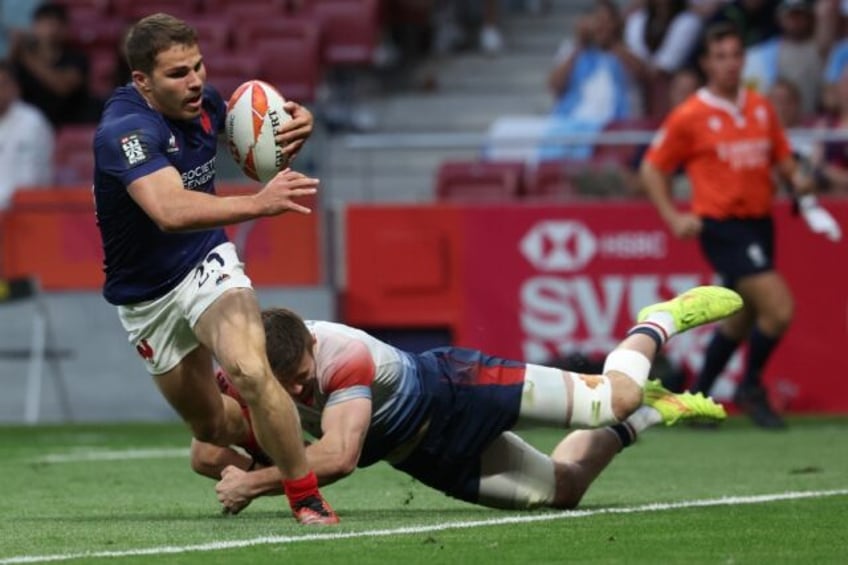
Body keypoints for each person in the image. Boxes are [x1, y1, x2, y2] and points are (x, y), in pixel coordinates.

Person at [91, 13, 337, 525]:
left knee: (248, 368)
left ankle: (304, 493)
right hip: (146, 297)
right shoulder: (125, 131)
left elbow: (259, 136)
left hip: (206, 261)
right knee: (210, 429)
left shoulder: (203, 104)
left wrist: (297, 125)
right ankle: (265, 442)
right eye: (178, 73)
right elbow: (169, 210)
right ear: (143, 82)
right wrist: (259, 203)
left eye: (198, 65)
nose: (196, 81)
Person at [190, 286, 740, 514]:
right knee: (564, 491)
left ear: (312, 347)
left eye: (305, 380)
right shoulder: (244, 373)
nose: (298, 393)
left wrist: (255, 482)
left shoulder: (342, 355)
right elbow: (209, 449)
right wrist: (236, 458)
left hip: (459, 390)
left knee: (609, 398)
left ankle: (658, 322)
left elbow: (338, 457)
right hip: (424, 456)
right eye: (288, 386)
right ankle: (649, 412)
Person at [639, 23, 842, 430]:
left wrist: (800, 180)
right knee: (779, 309)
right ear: (706, 63)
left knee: (741, 316)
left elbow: (783, 160)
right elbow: (651, 167)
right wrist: (674, 216)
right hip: (723, 226)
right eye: (721, 56)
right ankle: (750, 386)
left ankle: (699, 397)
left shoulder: (759, 107)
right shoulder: (691, 115)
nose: (730, 63)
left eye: (735, 55)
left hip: (761, 222)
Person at [9, 2, 98, 127]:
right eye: (45, 24)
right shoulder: (21, 60)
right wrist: (14, 51)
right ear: (34, 27)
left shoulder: (77, 58)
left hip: (69, 125)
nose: (51, 30)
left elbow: (63, 86)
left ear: (65, 28)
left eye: (56, 25)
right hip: (29, 126)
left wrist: (26, 57)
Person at [0, 59, 53, 210]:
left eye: (2, 85)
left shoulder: (32, 122)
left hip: (27, 210)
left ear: (14, 87)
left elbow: (31, 179)